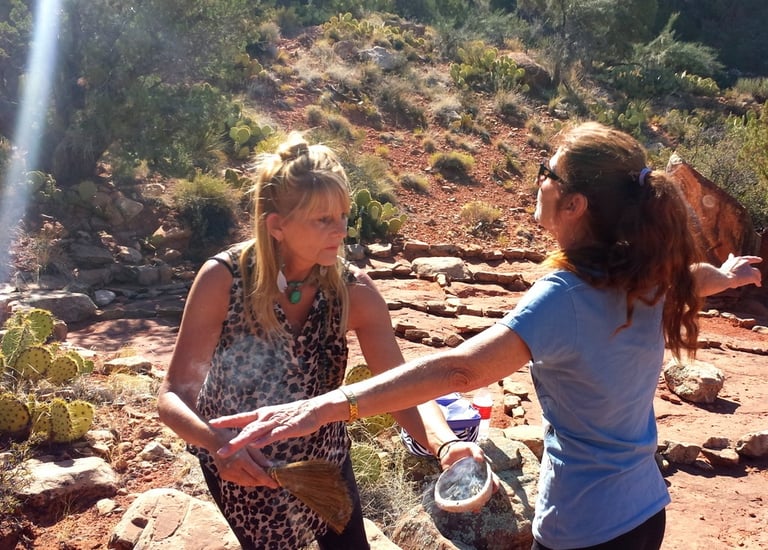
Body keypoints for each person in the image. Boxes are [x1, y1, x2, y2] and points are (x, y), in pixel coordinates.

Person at [209, 122, 763, 550]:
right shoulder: (646, 272)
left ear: (575, 205)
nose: (539, 177)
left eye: (549, 170)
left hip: (584, 525)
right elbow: (691, 278)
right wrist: (728, 275)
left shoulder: (564, 298)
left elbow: (460, 370)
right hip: (647, 511)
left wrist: (325, 407)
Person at [156, 131, 482, 550]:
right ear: (277, 226)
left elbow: (402, 388)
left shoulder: (353, 291)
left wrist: (446, 445)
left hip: (325, 460)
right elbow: (173, 395)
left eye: (343, 216)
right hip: (244, 467)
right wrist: (218, 446)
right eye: (323, 219)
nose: (340, 230)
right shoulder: (223, 280)